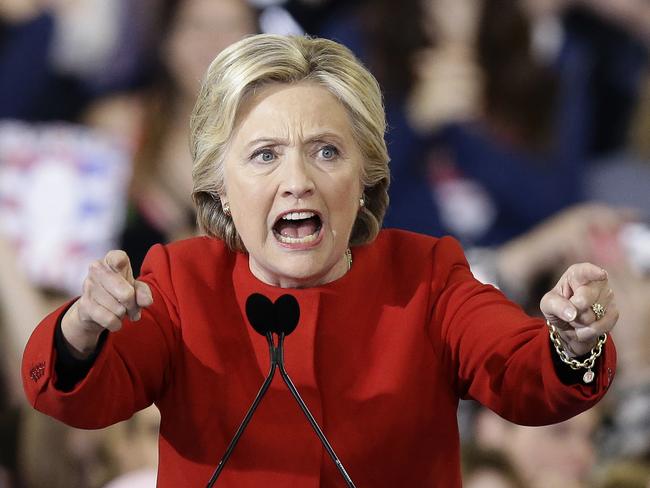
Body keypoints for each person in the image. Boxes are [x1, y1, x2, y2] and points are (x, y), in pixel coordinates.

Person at [22, 34, 619, 487]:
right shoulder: (182, 283)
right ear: (220, 187)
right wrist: (82, 328)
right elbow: (83, 398)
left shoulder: (427, 277)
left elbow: (524, 375)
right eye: (264, 156)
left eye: (326, 151)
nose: (297, 182)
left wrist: (572, 342)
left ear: (364, 177)